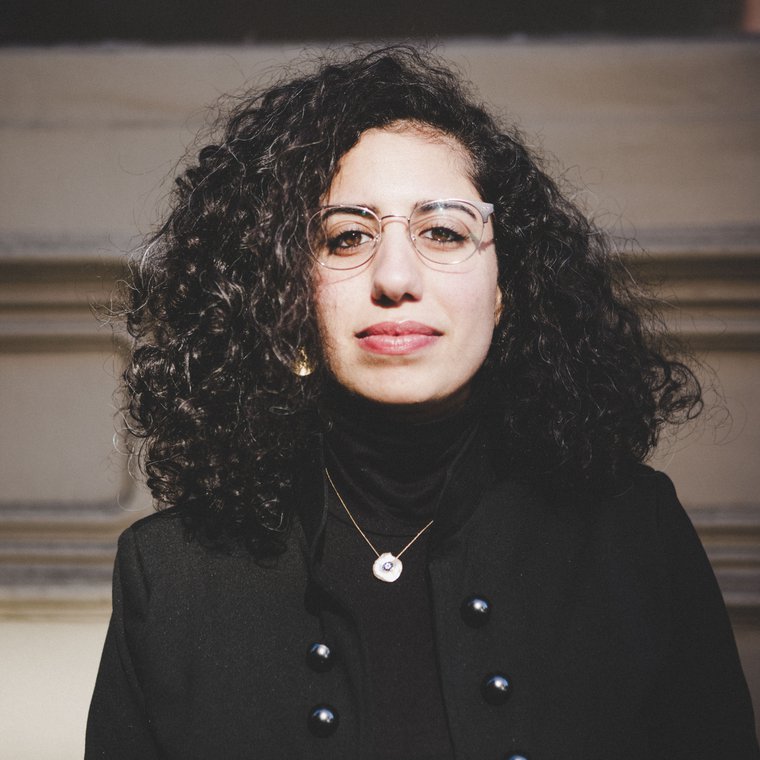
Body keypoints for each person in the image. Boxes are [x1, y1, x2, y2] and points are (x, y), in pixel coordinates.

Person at [86, 47, 759, 759]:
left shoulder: (634, 535)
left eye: (443, 230)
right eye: (346, 237)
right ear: (279, 293)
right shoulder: (169, 577)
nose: (396, 276)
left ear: (506, 290)